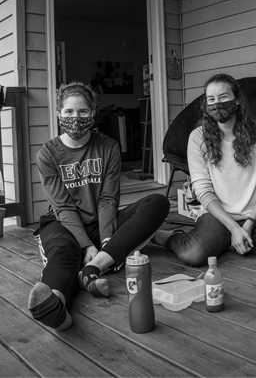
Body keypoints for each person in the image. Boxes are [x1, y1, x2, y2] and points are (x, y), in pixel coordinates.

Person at [28, 81, 170, 331]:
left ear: (93, 113)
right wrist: (85, 245)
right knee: (63, 254)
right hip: (63, 224)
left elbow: (108, 199)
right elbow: (63, 207)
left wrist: (104, 241)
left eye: (83, 111)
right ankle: (56, 304)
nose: (76, 118)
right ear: (59, 114)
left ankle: (95, 267)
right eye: (69, 112)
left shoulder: (108, 146)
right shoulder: (47, 154)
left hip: (102, 222)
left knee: (157, 202)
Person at [154, 73, 256, 266]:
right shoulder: (197, 137)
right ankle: (172, 237)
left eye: (223, 97)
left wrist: (249, 224)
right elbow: (202, 189)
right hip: (217, 217)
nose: (217, 104)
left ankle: (228, 243)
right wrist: (233, 228)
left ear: (237, 101)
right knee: (192, 254)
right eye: (211, 99)